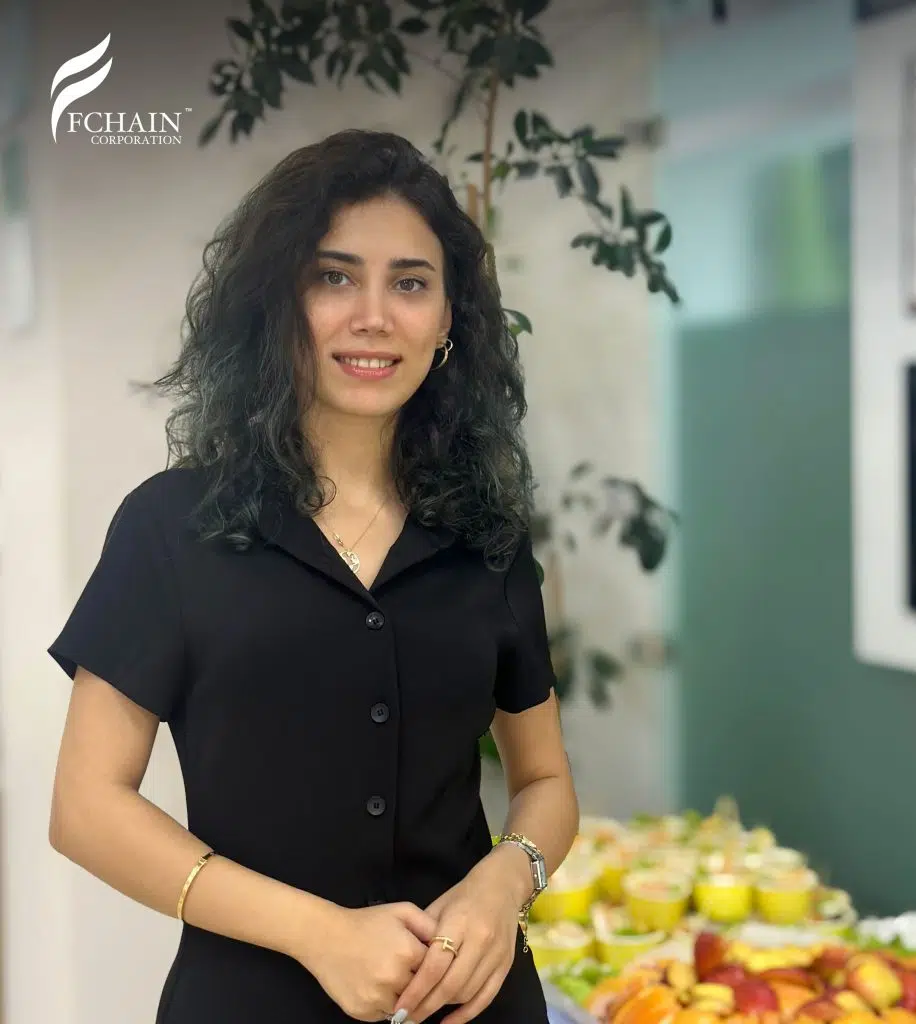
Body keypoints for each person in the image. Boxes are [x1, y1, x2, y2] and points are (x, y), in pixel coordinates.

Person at [47, 129, 579, 1024]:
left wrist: (504, 881)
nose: (374, 316)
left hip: (472, 1000)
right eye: (334, 277)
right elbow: (85, 808)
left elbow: (546, 781)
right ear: (278, 303)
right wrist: (321, 934)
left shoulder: (487, 535)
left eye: (410, 283)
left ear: (447, 319)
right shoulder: (171, 526)